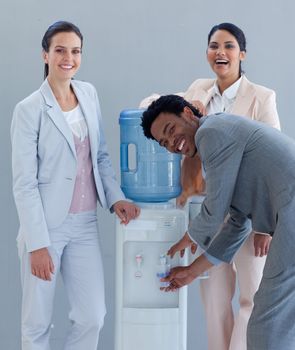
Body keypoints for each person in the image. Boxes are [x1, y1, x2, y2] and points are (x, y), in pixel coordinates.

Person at [139, 22, 281, 350]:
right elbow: (157, 109)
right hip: (208, 208)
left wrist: (267, 225)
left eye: (229, 46)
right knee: (215, 302)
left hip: (250, 212)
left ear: (241, 54)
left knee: (251, 299)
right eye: (214, 45)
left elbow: (270, 159)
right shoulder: (198, 92)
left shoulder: (261, 97)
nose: (220, 52)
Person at [11, 21, 140, 350]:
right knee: (37, 323)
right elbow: (24, 183)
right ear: (45, 55)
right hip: (46, 228)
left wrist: (116, 199)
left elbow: (101, 156)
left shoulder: (88, 94)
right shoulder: (28, 110)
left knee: (92, 316)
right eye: (60, 50)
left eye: (75, 51)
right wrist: (38, 243)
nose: (68, 57)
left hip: (85, 223)